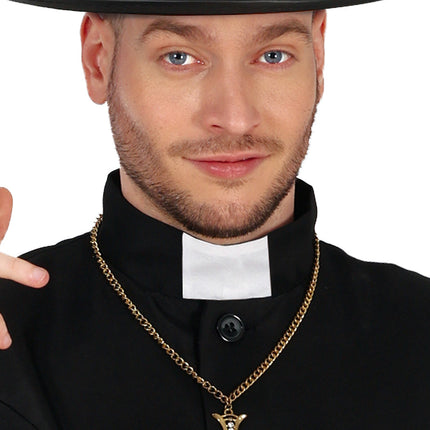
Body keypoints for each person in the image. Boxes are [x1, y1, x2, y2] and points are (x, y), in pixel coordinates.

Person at [0, 0, 429, 428]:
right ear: (98, 60)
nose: (235, 118)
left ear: (318, 55)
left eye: (273, 55)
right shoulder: (10, 335)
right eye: (179, 57)